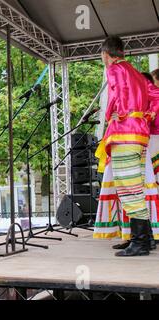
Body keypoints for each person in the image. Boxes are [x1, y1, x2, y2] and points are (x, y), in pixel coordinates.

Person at [93, 36, 154, 257]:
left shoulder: (114, 69)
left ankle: (139, 242)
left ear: (106, 54)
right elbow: (156, 97)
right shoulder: (138, 74)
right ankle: (144, 240)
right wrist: (148, 115)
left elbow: (115, 94)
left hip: (124, 133)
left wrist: (111, 113)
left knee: (128, 187)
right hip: (139, 135)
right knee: (135, 186)